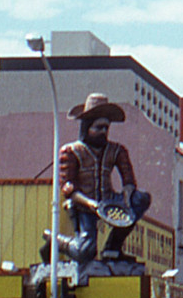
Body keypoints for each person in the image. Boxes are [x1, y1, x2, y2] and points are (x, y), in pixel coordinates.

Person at [58, 94, 154, 265]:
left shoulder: (117, 150)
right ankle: (56, 241)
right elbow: (68, 187)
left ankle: (112, 247)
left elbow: (128, 178)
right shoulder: (71, 151)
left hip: (109, 200)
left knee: (140, 199)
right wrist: (89, 203)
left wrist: (127, 195)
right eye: (98, 128)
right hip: (84, 205)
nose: (103, 132)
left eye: (106, 128)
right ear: (87, 127)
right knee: (85, 251)